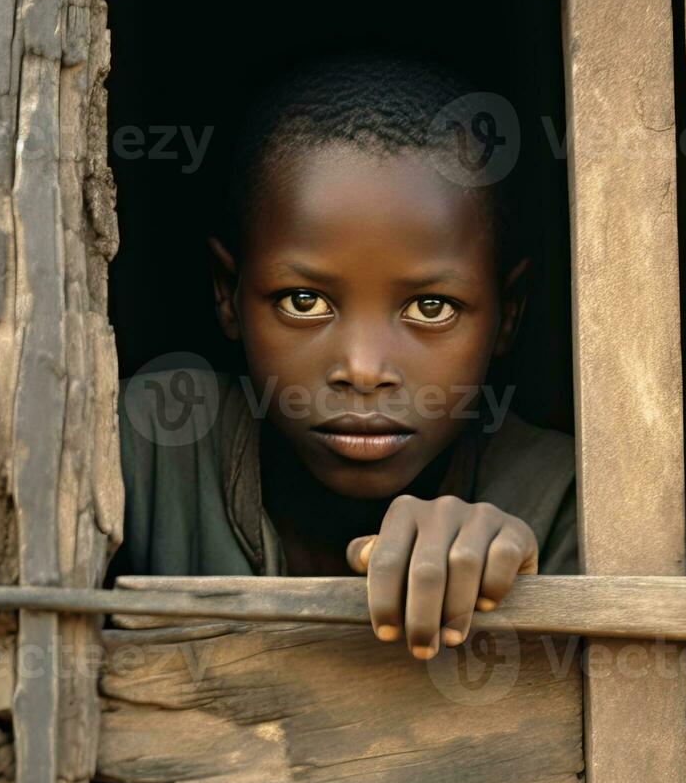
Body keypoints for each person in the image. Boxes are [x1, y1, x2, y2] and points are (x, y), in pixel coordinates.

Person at [110, 55, 577, 661]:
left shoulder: (566, 500)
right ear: (226, 293)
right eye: (304, 301)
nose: (361, 368)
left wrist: (520, 586)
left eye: (431, 308)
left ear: (508, 313)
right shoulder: (142, 451)